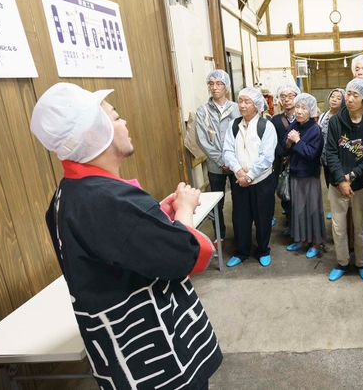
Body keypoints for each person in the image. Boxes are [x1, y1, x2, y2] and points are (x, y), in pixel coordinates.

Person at [30, 83, 222, 390]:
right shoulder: (109, 201)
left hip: (120, 356)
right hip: (158, 357)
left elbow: (119, 247)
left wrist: (156, 217)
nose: (125, 123)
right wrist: (185, 210)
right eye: (115, 117)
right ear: (94, 134)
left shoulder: (69, 195)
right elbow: (188, 255)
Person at [325, 78, 363, 282]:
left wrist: (352, 176)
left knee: (360, 226)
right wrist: (341, 180)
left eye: (354, 95)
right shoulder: (335, 121)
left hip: (360, 184)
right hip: (337, 184)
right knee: (338, 226)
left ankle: (361, 262)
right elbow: (330, 153)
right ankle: (342, 262)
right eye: (347, 93)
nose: (348, 99)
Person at [223, 87, 278, 268]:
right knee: (240, 218)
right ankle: (242, 251)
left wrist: (250, 176)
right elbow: (228, 151)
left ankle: (263, 250)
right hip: (239, 179)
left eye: (247, 102)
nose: (242, 105)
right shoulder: (234, 125)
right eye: (240, 101)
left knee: (262, 216)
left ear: (257, 105)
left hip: (261, 180)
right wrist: (238, 171)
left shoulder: (266, 126)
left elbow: (267, 157)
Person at [196, 69, 240, 247]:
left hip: (237, 165)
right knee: (217, 203)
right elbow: (202, 140)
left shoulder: (238, 108)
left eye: (219, 83)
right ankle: (219, 236)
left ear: (227, 87)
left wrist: (232, 161)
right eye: (211, 83)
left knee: (239, 201)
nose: (214, 87)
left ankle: (240, 233)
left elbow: (243, 136)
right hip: (215, 166)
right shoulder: (203, 111)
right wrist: (221, 161)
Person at [283, 93, 326, 259]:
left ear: (312, 111)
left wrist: (297, 142)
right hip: (295, 173)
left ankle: (316, 242)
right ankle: (301, 239)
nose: (299, 111)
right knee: (298, 208)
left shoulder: (315, 129)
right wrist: (289, 142)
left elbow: (312, 154)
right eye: (297, 107)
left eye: (304, 108)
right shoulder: (294, 124)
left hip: (310, 175)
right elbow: (284, 148)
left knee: (312, 208)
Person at [272, 84, 301, 236]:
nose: (287, 99)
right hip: (281, 163)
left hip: (301, 162)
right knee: (285, 193)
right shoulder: (275, 120)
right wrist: (283, 155)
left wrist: (293, 154)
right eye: (283, 96)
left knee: (300, 194)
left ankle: (301, 226)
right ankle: (291, 223)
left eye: (290, 95)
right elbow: (273, 141)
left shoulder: (303, 117)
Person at [319, 88, 345, 220]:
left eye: (338, 98)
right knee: (329, 184)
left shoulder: (344, 117)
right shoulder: (323, 116)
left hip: (338, 158)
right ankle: (333, 208)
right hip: (324, 158)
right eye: (332, 96)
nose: (334, 99)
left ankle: (339, 211)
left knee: (338, 184)